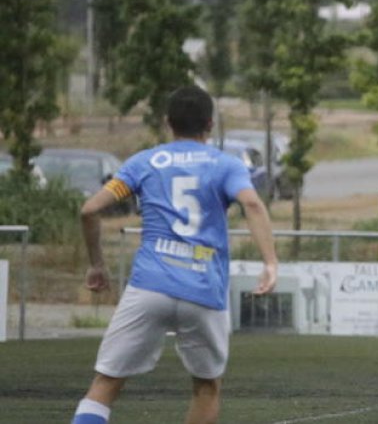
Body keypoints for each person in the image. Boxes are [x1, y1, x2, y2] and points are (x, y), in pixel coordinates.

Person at [71, 85, 278, 424]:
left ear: (168, 122)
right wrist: (270, 262)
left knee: (106, 383)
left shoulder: (144, 162)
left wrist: (97, 264)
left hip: (150, 286)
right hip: (203, 290)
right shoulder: (225, 165)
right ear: (210, 124)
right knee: (206, 388)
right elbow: (252, 203)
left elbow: (89, 210)